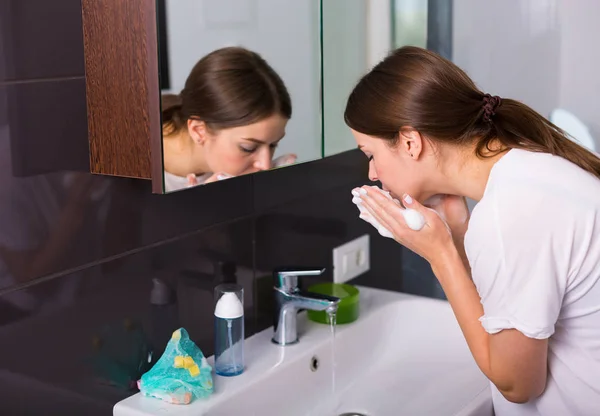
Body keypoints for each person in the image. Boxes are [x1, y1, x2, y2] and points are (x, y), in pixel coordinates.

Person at [346, 46, 600, 415]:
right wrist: (460, 229)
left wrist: (440, 254)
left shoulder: (509, 212)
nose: (371, 173)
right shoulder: (531, 170)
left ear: (409, 142)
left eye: (370, 154)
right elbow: (511, 305)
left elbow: (518, 384)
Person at [161, 46, 296, 192]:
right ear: (198, 131)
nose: (265, 165)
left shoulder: (224, 156)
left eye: (273, 145)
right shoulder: (141, 166)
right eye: (248, 148)